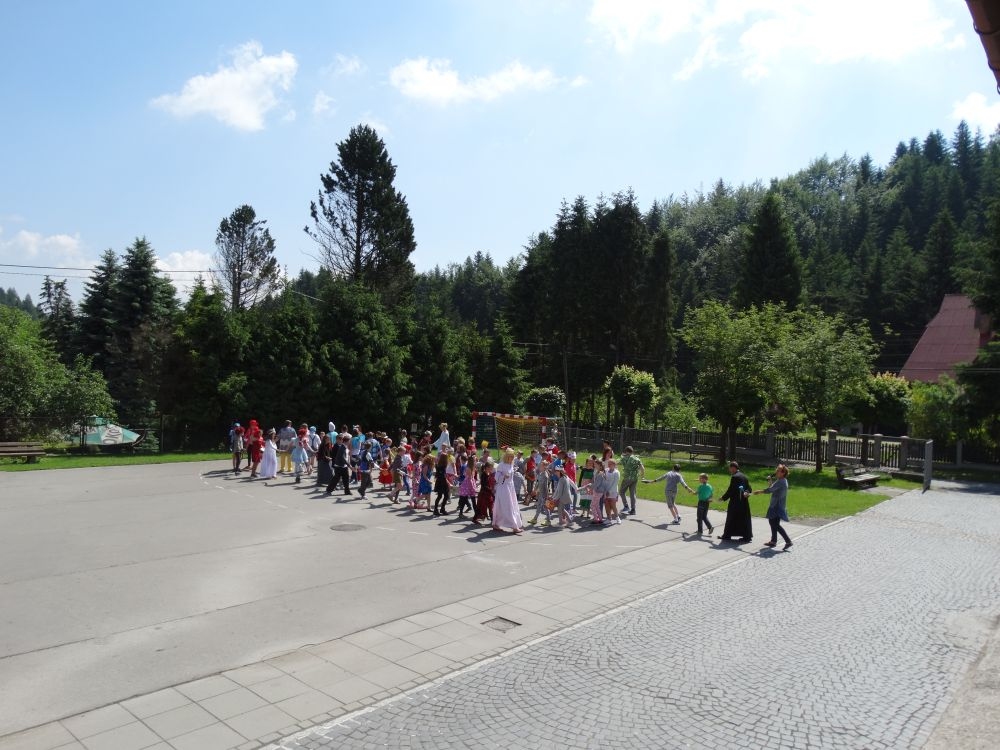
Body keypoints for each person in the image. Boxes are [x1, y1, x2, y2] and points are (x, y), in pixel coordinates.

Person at [755, 464, 792, 550]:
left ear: (783, 473)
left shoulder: (781, 482)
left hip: (776, 506)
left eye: (778, 471)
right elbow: (772, 488)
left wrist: (759, 492)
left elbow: (770, 490)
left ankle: (788, 541)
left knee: (774, 524)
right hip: (777, 505)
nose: (776, 472)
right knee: (773, 523)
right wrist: (769, 481)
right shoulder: (781, 480)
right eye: (776, 470)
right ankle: (773, 541)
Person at [718, 461, 753, 543]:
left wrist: (723, 498)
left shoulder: (735, 477)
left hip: (735, 502)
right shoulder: (744, 476)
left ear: (733, 468)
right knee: (744, 519)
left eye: (730, 468)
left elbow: (731, 490)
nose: (729, 470)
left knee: (731, 518)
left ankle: (727, 535)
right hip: (743, 502)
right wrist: (747, 492)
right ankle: (747, 536)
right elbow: (749, 488)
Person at [492, 448, 524, 534]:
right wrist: (503, 476)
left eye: (513, 457)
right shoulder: (501, 465)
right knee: (507, 506)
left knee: (512, 506)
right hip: (503, 488)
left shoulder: (511, 464)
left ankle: (497, 523)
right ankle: (514, 526)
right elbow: (496, 477)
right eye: (510, 457)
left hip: (510, 488)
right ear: (507, 456)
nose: (512, 458)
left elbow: (511, 476)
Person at [617, 446, 645, 516]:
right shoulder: (637, 458)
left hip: (627, 478)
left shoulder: (624, 458)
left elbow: (617, 462)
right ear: (632, 451)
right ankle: (633, 509)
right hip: (635, 478)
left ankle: (626, 506)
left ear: (626, 451)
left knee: (621, 492)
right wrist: (642, 477)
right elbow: (642, 468)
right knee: (632, 494)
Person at [603, 458, 622, 525]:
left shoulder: (616, 472)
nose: (609, 465)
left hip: (613, 491)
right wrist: (605, 490)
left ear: (614, 465)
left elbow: (615, 483)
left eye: (610, 464)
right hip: (606, 491)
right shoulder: (606, 470)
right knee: (607, 505)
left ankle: (617, 518)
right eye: (608, 464)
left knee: (613, 505)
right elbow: (604, 480)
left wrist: (609, 491)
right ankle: (609, 518)